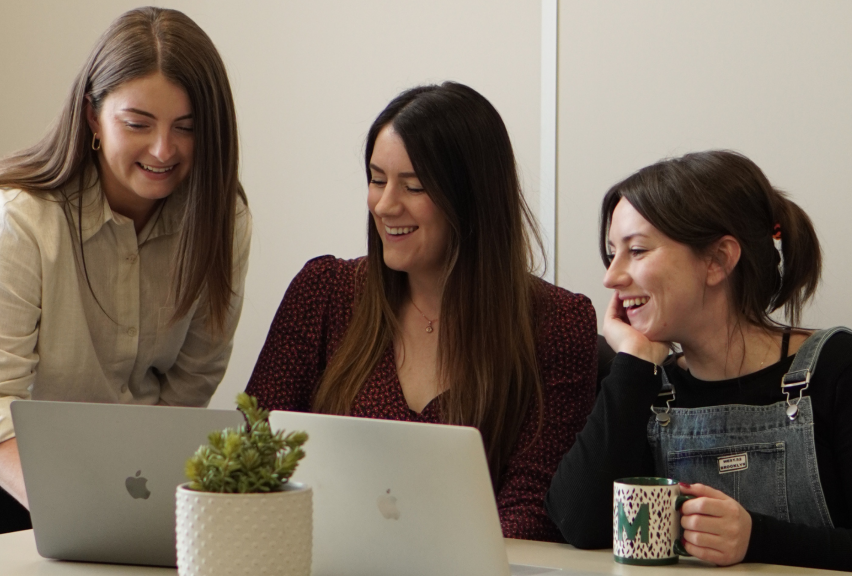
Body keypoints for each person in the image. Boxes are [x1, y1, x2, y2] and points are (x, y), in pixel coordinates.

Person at [0, 7, 251, 548]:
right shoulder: (11, 220)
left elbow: (191, 379)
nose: (164, 150)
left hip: (100, 440)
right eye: (138, 123)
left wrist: (132, 490)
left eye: (187, 127)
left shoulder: (222, 221)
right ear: (92, 116)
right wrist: (82, 511)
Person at [246, 82, 597, 542]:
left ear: (471, 199)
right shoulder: (324, 292)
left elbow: (532, 507)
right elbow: (255, 451)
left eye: (413, 186)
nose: (386, 204)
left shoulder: (557, 323)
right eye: (376, 179)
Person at [545, 150, 852, 574]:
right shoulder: (646, 385)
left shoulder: (846, 372)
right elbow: (578, 525)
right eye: (612, 253)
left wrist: (756, 538)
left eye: (635, 250)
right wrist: (633, 365)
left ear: (718, 260)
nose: (611, 277)